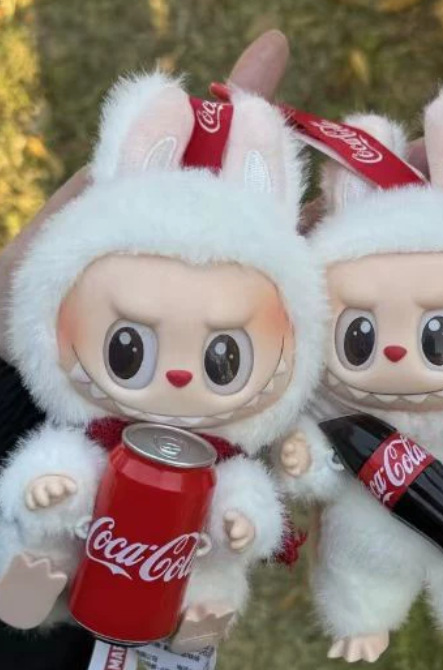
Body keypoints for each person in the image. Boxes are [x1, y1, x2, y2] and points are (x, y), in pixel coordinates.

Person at [0, 29, 291, 670]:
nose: (181, 375)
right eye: (128, 346)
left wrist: (242, 522)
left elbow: (249, 501)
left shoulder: (221, 457)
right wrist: (49, 488)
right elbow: (45, 464)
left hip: (160, 586)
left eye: (222, 358)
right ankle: (27, 594)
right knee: (35, 543)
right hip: (69, 574)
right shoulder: (88, 435)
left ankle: (194, 628)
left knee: (212, 583)